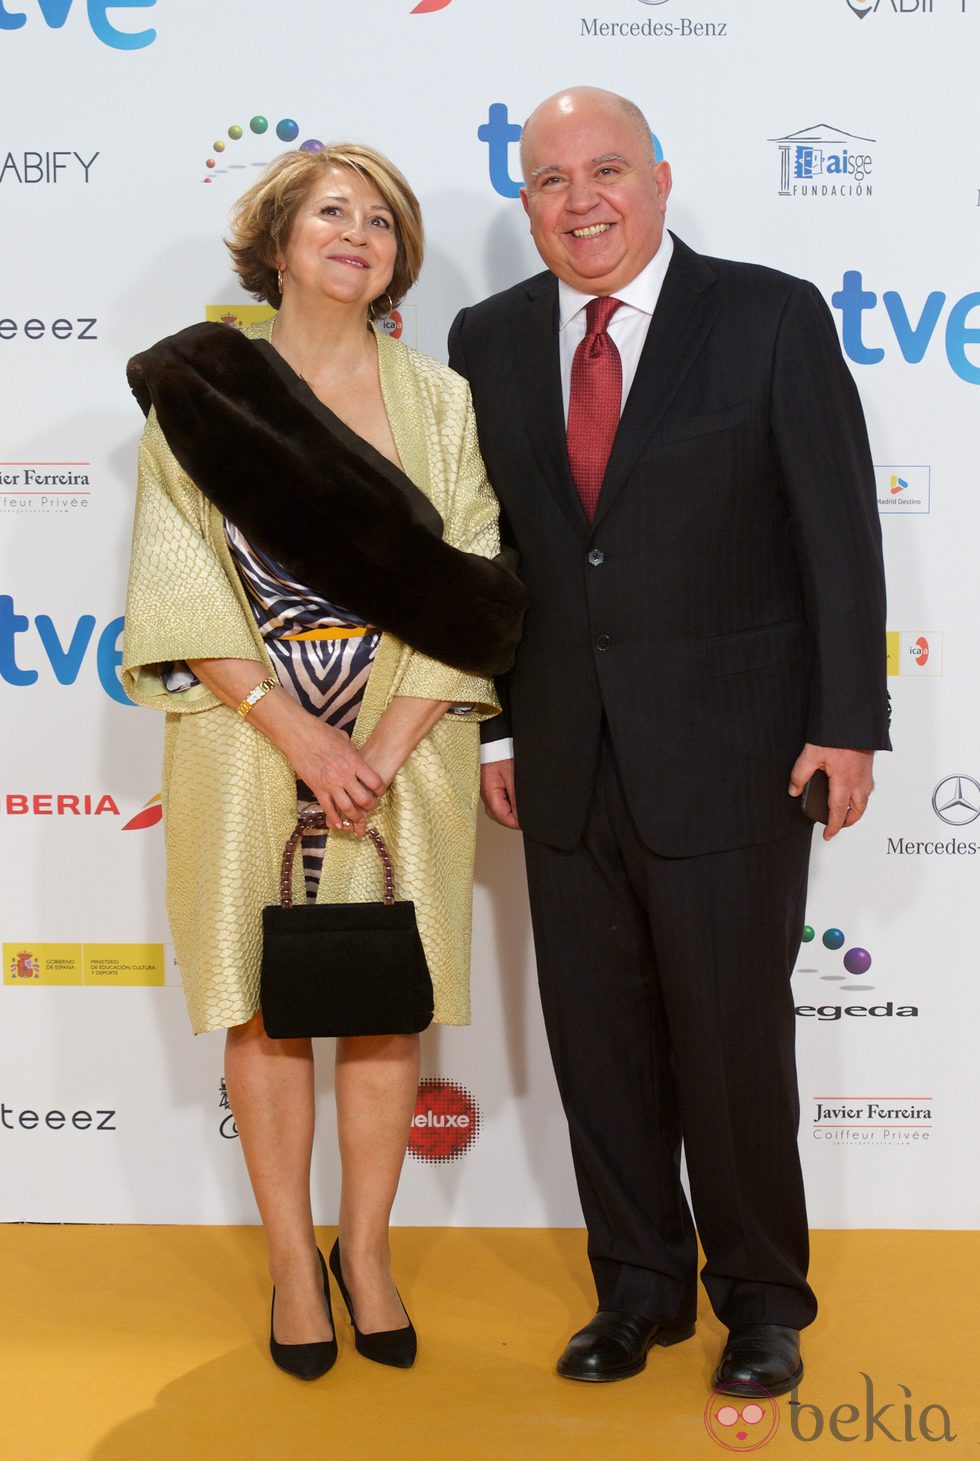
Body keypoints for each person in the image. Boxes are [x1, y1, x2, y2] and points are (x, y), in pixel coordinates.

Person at [449, 87, 889, 1394]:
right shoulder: (486, 336)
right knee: (599, 1044)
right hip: (564, 758)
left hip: (739, 756)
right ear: (523, 203)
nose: (581, 202)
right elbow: (489, 556)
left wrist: (846, 722)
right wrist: (491, 731)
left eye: (606, 171)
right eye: (548, 182)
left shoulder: (766, 313)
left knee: (734, 1043)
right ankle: (637, 1289)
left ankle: (762, 1300)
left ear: (659, 177)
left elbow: (838, 530)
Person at [121, 144, 526, 1381]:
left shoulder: (441, 401)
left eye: (381, 223)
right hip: (246, 747)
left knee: (382, 1000)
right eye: (330, 214)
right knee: (263, 1001)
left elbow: (477, 581)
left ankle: (366, 1253)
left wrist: (384, 740)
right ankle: (293, 1263)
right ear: (279, 242)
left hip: (409, 744)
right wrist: (297, 733)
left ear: (395, 258)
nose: (357, 235)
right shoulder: (202, 393)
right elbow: (175, 579)